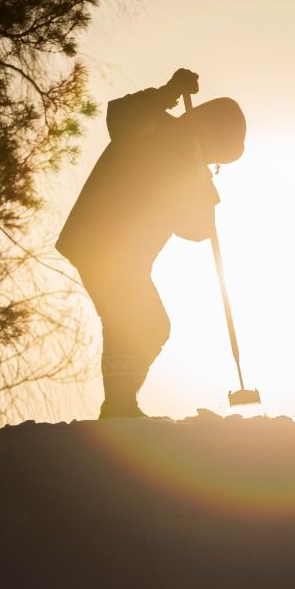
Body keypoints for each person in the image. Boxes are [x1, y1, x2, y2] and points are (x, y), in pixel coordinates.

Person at [57, 69, 246, 418]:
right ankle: (119, 407)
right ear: (207, 132)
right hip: (101, 241)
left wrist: (206, 198)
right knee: (129, 319)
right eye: (216, 153)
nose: (212, 162)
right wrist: (169, 92)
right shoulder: (156, 128)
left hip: (127, 257)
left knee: (150, 325)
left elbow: (193, 230)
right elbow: (120, 116)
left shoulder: (190, 169)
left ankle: (120, 403)